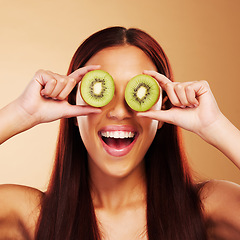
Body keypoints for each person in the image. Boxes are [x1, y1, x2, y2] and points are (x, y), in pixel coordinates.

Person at [0, 26, 239, 240]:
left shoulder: (207, 207)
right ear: (73, 109)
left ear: (164, 108)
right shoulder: (30, 215)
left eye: (137, 95)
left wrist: (215, 126)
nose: (119, 111)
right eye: (104, 93)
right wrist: (21, 113)